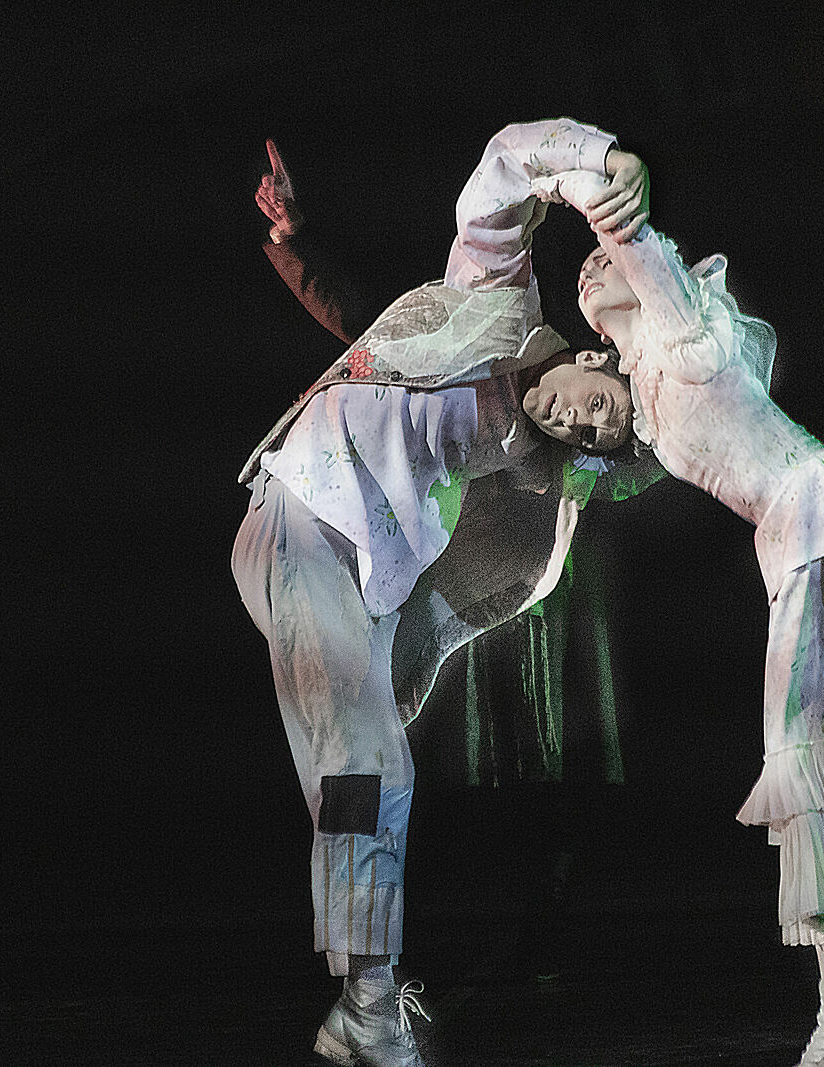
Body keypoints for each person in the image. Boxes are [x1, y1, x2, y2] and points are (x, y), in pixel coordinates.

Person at [232, 117, 663, 1067]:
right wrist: (605, 162)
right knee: (367, 766)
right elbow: (503, 169)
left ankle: (363, 998)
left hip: (358, 567)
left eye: (590, 438)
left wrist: (395, 686)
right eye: (596, 407)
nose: (575, 422)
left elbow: (467, 602)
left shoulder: (522, 488)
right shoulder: (495, 302)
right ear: (595, 360)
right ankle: (368, 1006)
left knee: (367, 768)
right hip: (305, 503)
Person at [570, 171, 824, 1062]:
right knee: (811, 789)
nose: (589, 269)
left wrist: (579, 178)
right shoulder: (646, 388)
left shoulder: (686, 330)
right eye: (584, 273)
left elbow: (631, 236)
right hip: (808, 551)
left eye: (601, 260)